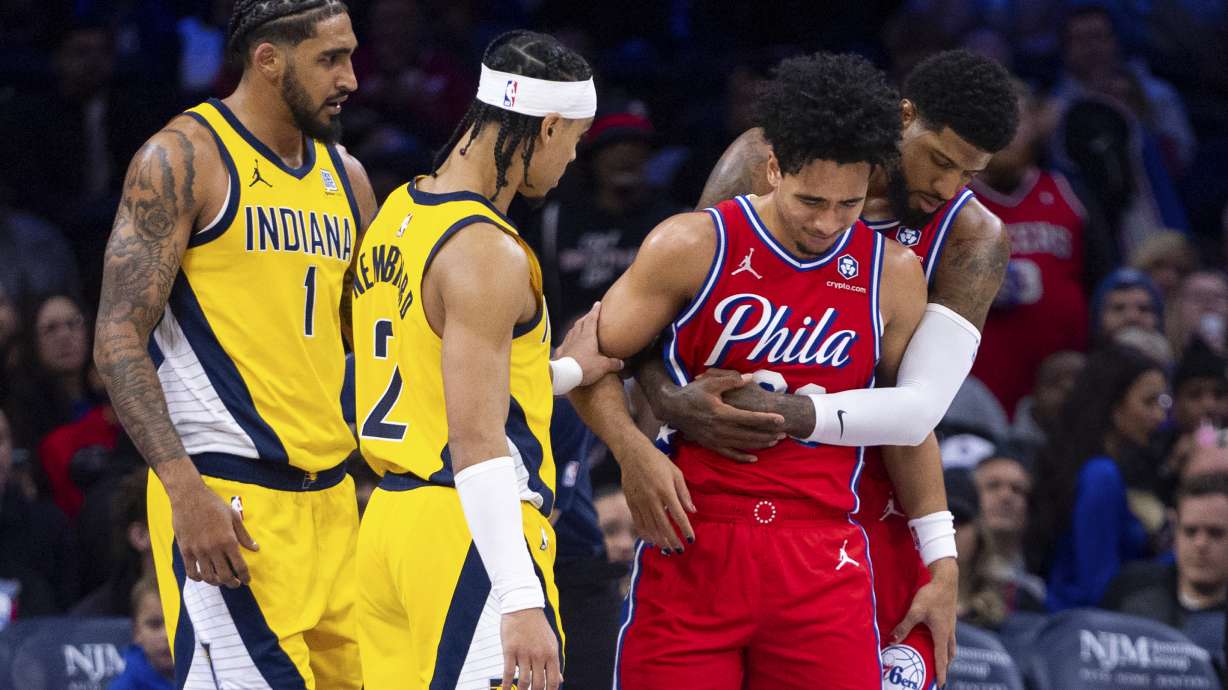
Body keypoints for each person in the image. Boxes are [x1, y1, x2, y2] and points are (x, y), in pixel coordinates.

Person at [629, 49, 1020, 686]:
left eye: (968, 174)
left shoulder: (973, 237)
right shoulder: (768, 154)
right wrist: (668, 405)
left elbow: (917, 409)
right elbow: (669, 316)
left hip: (875, 497)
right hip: (734, 484)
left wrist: (942, 560)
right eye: (941, 160)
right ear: (905, 116)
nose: (947, 187)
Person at [570, 51, 932, 689]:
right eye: (809, 199)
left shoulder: (893, 275)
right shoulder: (689, 244)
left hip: (823, 554)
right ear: (772, 168)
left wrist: (942, 556)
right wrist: (633, 451)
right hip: (693, 539)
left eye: (846, 204)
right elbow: (587, 360)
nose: (826, 223)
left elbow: (911, 422)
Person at [93, 1, 377, 687]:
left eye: (351, 56)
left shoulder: (348, 177)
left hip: (336, 501)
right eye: (331, 59)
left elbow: (365, 342)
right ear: (268, 59)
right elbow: (116, 336)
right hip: (230, 502)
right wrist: (183, 490)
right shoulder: (184, 158)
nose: (352, 79)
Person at [350, 30, 619, 690]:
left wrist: (567, 372)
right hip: (469, 533)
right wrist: (519, 596)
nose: (571, 161)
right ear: (548, 125)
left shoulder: (399, 212)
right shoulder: (487, 253)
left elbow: (434, 376)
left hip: (388, 525)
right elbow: (475, 442)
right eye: (575, 141)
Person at [969, 80, 1113, 415]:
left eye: (1014, 121)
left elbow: (1102, 281)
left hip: (1068, 382)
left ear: (1036, 124)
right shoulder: (948, 204)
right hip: (979, 389)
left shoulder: (1069, 192)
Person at [1027, 345, 1169, 611]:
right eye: (1149, 402)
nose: (1160, 416)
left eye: (1162, 403)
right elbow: (1098, 586)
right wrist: (1176, 559)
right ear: (1114, 406)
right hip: (1082, 628)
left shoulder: (1099, 469)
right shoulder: (1100, 476)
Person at [1103, 472, 1227, 655]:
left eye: (1215, 533)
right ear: (1175, 531)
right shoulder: (1130, 589)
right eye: (1190, 531)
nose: (1200, 544)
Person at [109, 575, 174, 690]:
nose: (166, 635)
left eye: (175, 625)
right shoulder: (124, 687)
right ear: (136, 632)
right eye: (155, 624)